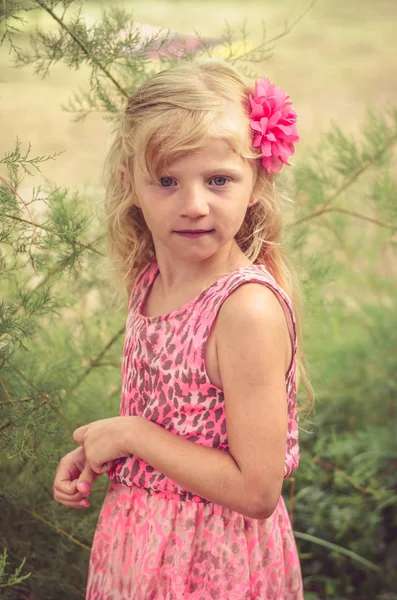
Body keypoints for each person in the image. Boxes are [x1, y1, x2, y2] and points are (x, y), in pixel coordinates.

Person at [53, 59, 310, 599]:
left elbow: (257, 490)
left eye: (219, 180)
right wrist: (109, 448)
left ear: (258, 180)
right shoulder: (150, 280)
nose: (194, 205)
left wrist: (129, 434)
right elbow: (173, 426)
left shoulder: (245, 310)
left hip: (214, 565)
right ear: (132, 186)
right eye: (166, 181)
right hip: (140, 548)